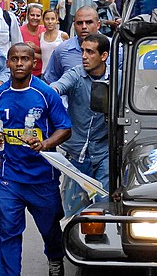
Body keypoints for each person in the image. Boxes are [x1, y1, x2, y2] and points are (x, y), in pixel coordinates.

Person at [0, 43, 72, 276]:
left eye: (25, 59)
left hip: (42, 178)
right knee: (7, 232)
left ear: (34, 63)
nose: (20, 63)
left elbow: (65, 128)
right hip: (8, 178)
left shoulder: (45, 93)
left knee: (50, 228)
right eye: (15, 59)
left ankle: (55, 258)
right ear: (8, 63)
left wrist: (45, 144)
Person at [50, 33, 110, 200]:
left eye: (90, 52)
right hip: (76, 153)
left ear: (104, 56)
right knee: (74, 211)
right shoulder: (76, 73)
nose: (84, 56)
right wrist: (51, 93)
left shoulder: (118, 78)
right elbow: (57, 86)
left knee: (103, 206)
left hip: (104, 152)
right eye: (82, 51)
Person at [43, 6, 101, 83]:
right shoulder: (62, 50)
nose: (84, 27)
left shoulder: (114, 49)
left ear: (98, 25)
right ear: (74, 25)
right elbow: (50, 81)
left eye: (89, 22)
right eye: (79, 23)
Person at [20, 3, 46, 77]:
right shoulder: (20, 31)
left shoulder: (45, 31)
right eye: (32, 15)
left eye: (38, 15)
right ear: (27, 16)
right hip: (24, 71)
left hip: (42, 72)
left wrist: (36, 48)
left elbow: (48, 54)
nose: (35, 18)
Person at [40, 9, 68, 74]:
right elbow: (44, 54)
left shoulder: (63, 35)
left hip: (59, 73)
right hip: (44, 72)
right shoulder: (41, 36)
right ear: (43, 20)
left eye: (52, 19)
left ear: (56, 20)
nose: (50, 22)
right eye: (47, 19)